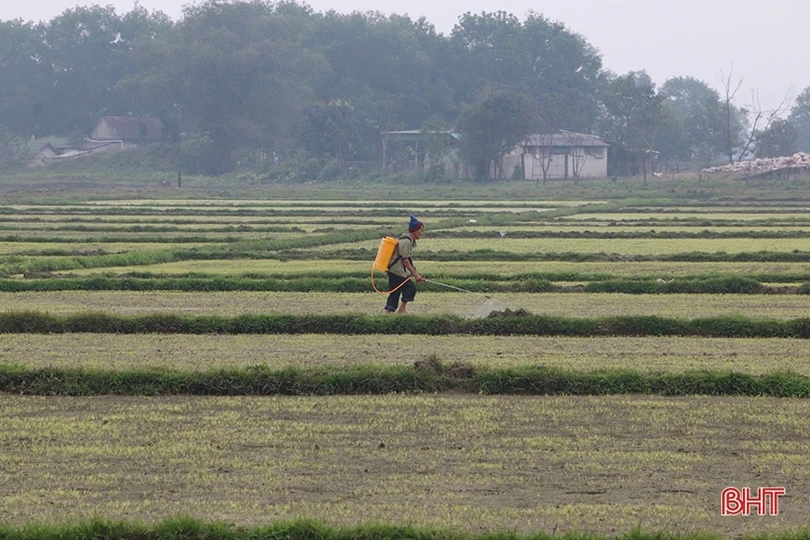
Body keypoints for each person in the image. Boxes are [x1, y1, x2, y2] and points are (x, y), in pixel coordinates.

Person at [384, 215, 426, 314]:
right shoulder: (406, 241)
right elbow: (405, 260)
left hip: (396, 270)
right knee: (410, 288)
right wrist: (415, 275)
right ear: (415, 231)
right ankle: (401, 310)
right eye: (421, 230)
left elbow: (409, 260)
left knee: (395, 292)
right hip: (396, 271)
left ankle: (388, 312)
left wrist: (416, 274)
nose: (421, 233)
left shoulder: (409, 241)